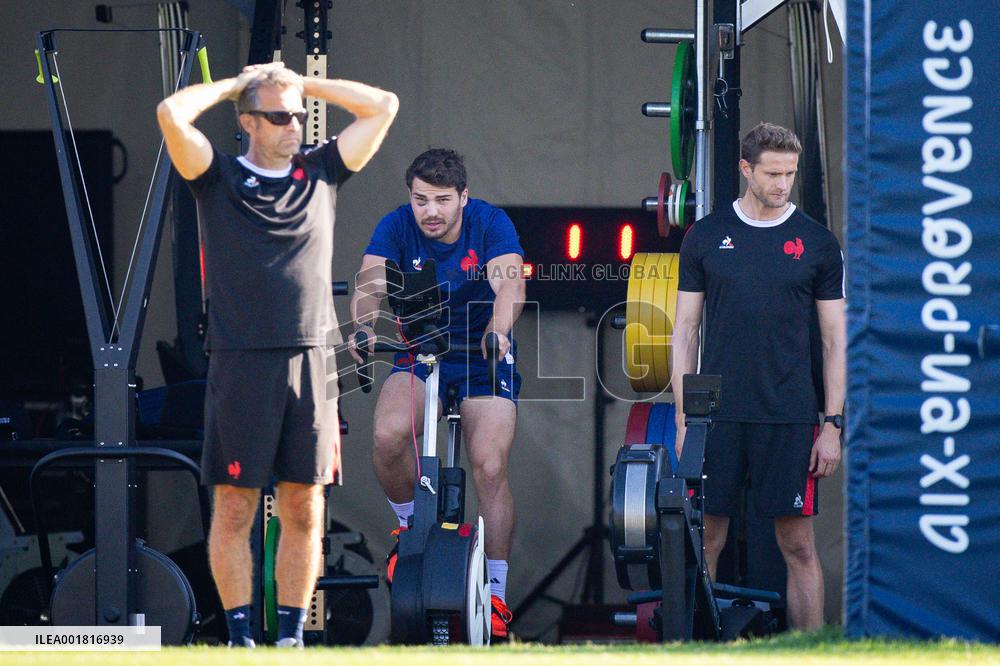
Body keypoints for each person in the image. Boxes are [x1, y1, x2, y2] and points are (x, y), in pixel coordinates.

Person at [157, 63, 398, 647]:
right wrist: (237, 83)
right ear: (247, 122)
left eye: (298, 116)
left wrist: (303, 86)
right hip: (242, 361)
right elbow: (169, 115)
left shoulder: (320, 171)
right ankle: (241, 638)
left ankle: (288, 639)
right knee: (235, 508)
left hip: (312, 357)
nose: (294, 125)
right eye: (278, 116)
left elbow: (383, 103)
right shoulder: (216, 177)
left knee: (304, 505)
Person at [671, 122, 846, 630]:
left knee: (797, 543)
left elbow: (835, 340)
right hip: (716, 415)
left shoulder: (817, 243)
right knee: (706, 539)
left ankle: (809, 654)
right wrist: (684, 415)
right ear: (746, 169)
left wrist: (832, 424)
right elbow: (684, 331)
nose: (782, 184)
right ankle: (696, 650)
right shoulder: (704, 236)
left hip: (789, 413)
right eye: (773, 173)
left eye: (790, 173)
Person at [348, 149, 525, 638]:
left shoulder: (490, 223)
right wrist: (362, 325)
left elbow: (510, 286)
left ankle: (494, 594)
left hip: (481, 352)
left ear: (463, 198)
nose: (430, 211)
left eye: (442, 200)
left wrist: (498, 330)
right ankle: (409, 529)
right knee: (387, 437)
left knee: (489, 463)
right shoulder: (396, 225)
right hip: (422, 350)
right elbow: (370, 281)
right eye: (421, 199)